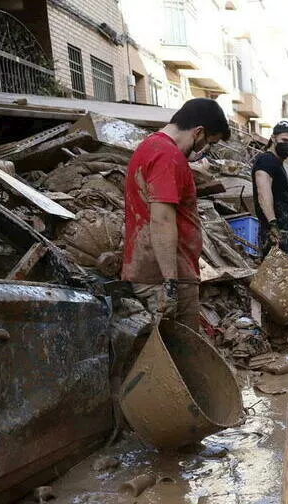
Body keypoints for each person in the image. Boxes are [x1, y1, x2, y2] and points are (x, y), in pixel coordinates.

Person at [122, 97, 229, 330]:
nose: (204, 150)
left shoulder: (150, 147)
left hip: (154, 271)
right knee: (180, 355)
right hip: (166, 278)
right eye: (207, 142)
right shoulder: (167, 157)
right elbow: (162, 219)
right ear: (198, 132)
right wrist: (170, 283)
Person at [252, 120, 288, 258]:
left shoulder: (277, 163)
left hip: (282, 232)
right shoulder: (267, 160)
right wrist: (273, 225)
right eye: (284, 140)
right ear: (273, 138)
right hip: (275, 234)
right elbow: (263, 192)